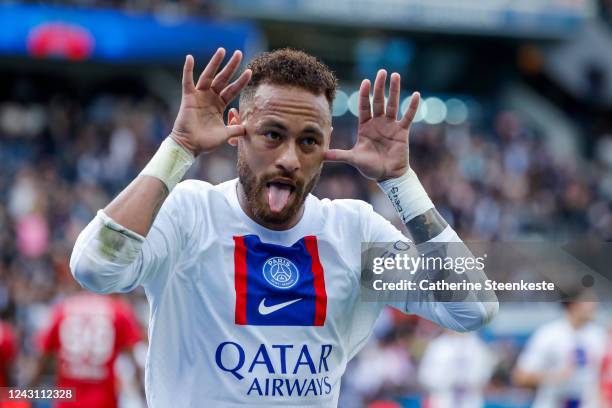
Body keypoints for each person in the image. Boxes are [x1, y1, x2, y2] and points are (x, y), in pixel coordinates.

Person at [69, 47, 498, 407]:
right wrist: (178, 148)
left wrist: (401, 183)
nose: (290, 159)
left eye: (309, 141)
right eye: (272, 135)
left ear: (328, 142)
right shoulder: (189, 214)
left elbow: (472, 309)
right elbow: (93, 268)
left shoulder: (352, 233)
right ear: (236, 130)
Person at [33, 292, 144, 408]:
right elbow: (133, 358)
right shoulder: (118, 310)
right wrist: (143, 396)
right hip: (104, 401)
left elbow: (43, 357)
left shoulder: (62, 309)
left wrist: (29, 392)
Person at [513, 298, 605, 408]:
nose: (594, 305)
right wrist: (555, 376)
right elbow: (520, 377)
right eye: (588, 300)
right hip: (553, 402)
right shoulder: (548, 334)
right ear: (573, 304)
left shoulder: (600, 335)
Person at [419, 330, 495, 408]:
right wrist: (448, 379)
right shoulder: (437, 346)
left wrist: (466, 380)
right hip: (442, 398)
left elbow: (483, 376)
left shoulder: (478, 346)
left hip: (470, 399)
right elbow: (426, 375)